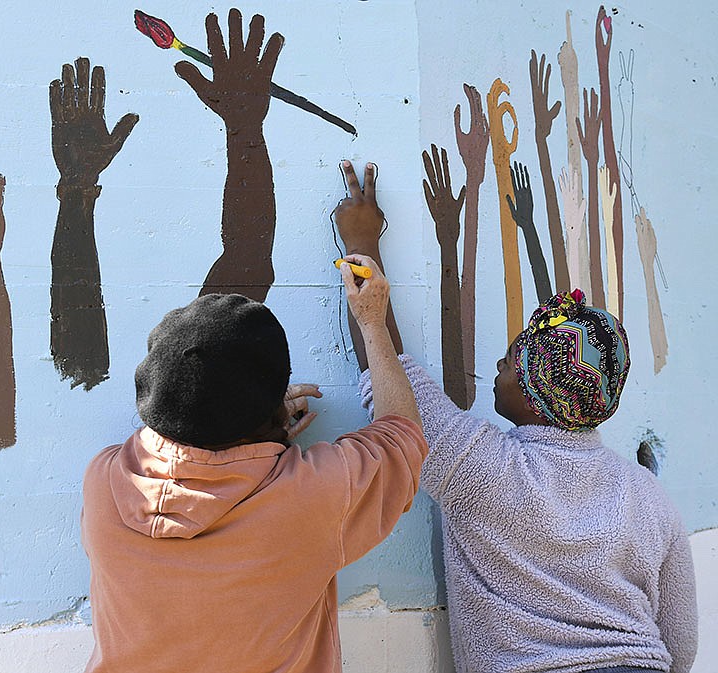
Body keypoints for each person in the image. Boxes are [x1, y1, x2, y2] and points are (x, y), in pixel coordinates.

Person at [334, 160, 698, 673]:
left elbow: (387, 375)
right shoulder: (647, 495)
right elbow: (680, 647)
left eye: (511, 359)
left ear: (534, 394)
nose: (498, 366)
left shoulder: (483, 471)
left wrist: (360, 241)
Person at [81, 277, 427, 671]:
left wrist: (254, 427)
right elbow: (403, 435)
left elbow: (178, 443)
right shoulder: (312, 497)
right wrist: (372, 324)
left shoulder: (103, 482)